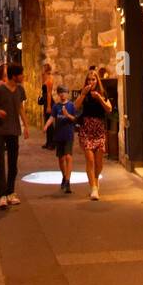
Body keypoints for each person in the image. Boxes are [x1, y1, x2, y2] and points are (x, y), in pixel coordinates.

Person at [0, 62, 28, 208]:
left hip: (13, 130)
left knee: (13, 164)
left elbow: (20, 108)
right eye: (21, 74)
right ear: (14, 76)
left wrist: (25, 126)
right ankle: (2, 195)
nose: (23, 76)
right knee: (0, 163)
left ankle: (11, 192)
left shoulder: (20, 90)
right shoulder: (0, 89)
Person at [74, 67, 111, 200]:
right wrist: (83, 94)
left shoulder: (102, 93)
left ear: (97, 81)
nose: (91, 82)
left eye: (93, 79)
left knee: (99, 162)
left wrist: (100, 98)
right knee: (90, 160)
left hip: (99, 130)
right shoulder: (83, 93)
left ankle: (95, 179)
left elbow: (109, 109)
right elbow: (75, 107)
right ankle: (93, 188)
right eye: (89, 80)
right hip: (86, 129)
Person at [44, 84, 76, 193]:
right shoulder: (56, 106)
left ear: (67, 93)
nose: (62, 94)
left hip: (68, 135)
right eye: (60, 92)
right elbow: (52, 117)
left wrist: (67, 114)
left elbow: (74, 119)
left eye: (64, 92)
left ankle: (67, 181)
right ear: (58, 94)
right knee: (61, 159)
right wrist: (47, 125)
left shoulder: (71, 105)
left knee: (68, 157)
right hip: (59, 135)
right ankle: (64, 176)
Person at [39, 63, 55, 150]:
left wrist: (49, 106)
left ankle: (52, 143)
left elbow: (49, 93)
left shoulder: (49, 79)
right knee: (47, 122)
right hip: (45, 101)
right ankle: (48, 142)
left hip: (49, 102)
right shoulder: (45, 78)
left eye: (43, 69)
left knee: (50, 123)